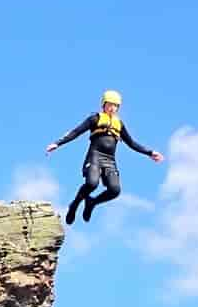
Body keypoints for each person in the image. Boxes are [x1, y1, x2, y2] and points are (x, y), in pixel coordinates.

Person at [46, 90, 163, 224]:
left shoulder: (119, 124)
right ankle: (75, 204)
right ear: (104, 105)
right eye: (110, 104)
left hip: (109, 160)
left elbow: (131, 143)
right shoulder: (95, 118)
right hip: (94, 157)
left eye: (116, 105)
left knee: (115, 190)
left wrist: (150, 152)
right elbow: (76, 132)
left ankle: (92, 203)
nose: (113, 108)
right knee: (92, 184)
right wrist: (57, 143)